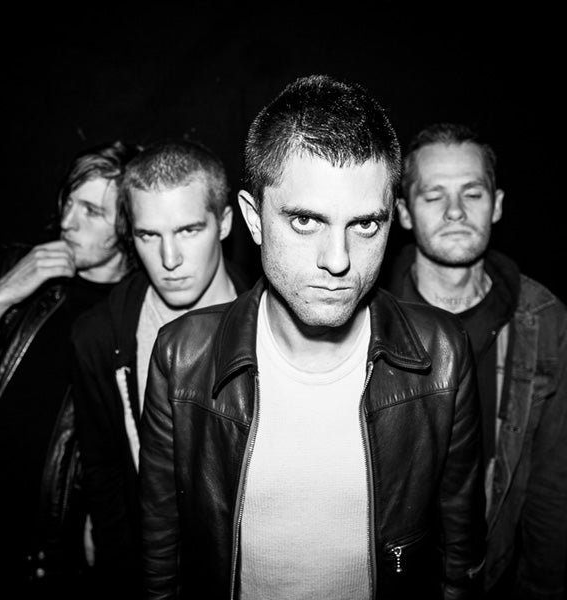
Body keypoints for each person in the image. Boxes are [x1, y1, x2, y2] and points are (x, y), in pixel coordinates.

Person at [138, 75, 487, 600]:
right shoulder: (181, 355)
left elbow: (459, 556)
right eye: (305, 220)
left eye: (365, 225)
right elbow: (160, 560)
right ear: (254, 219)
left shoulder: (443, 353)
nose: (338, 259)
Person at [384, 122, 567, 599]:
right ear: (403, 212)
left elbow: (552, 488)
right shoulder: (367, 321)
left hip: (494, 576)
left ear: (497, 204)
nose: (455, 211)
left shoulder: (544, 319)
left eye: (473, 193)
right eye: (433, 195)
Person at [70, 138, 250, 598]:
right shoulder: (100, 335)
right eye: (149, 236)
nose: (170, 260)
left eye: (188, 230)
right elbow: (103, 472)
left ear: (225, 222)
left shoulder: (277, 321)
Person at [0, 139, 140, 599]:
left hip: (42, 554)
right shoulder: (13, 266)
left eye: (92, 211)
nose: (67, 222)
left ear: (128, 226)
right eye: (69, 202)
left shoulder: (137, 317)